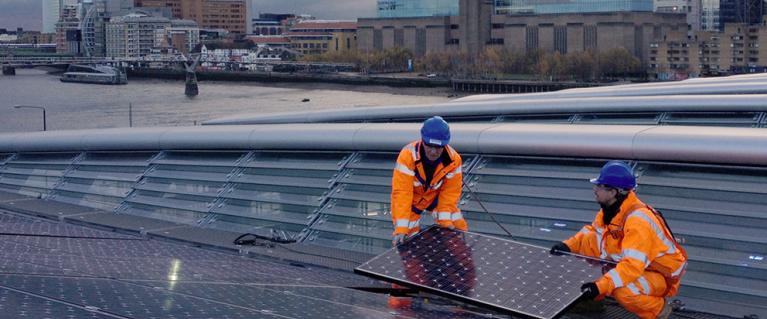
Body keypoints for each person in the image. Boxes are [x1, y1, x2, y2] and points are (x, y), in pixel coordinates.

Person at [550, 161, 687, 319]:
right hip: (638, 266)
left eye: (600, 186)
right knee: (589, 255)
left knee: (623, 290)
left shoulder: (638, 222)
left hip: (658, 274)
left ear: (614, 191)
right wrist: (567, 246)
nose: (595, 189)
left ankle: (659, 310)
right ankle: (593, 302)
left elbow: (631, 267)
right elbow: (593, 236)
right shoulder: (610, 212)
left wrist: (599, 286)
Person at [391, 116, 468, 245]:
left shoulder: (454, 160)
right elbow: (402, 193)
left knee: (456, 227)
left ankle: (461, 259)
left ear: (445, 144)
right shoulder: (408, 156)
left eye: (438, 147)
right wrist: (401, 229)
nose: (433, 152)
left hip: (435, 198)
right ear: (422, 140)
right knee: (406, 240)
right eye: (429, 146)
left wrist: (446, 222)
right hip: (412, 202)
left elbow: (450, 194)